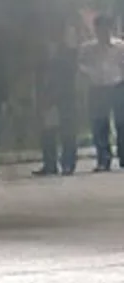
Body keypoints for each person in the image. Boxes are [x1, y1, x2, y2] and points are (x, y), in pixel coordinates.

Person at [81, 16, 124, 172]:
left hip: (118, 86)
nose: (102, 32)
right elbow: (81, 66)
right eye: (99, 29)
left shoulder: (120, 46)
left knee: (122, 123)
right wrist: (89, 73)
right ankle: (103, 159)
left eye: (105, 28)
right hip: (97, 88)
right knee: (100, 125)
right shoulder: (87, 48)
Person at [37, 26, 81, 177]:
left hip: (65, 97)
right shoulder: (42, 53)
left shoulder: (69, 53)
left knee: (67, 132)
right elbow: (41, 77)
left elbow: (68, 78)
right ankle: (49, 164)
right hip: (47, 96)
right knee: (47, 132)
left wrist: (54, 95)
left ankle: (68, 164)